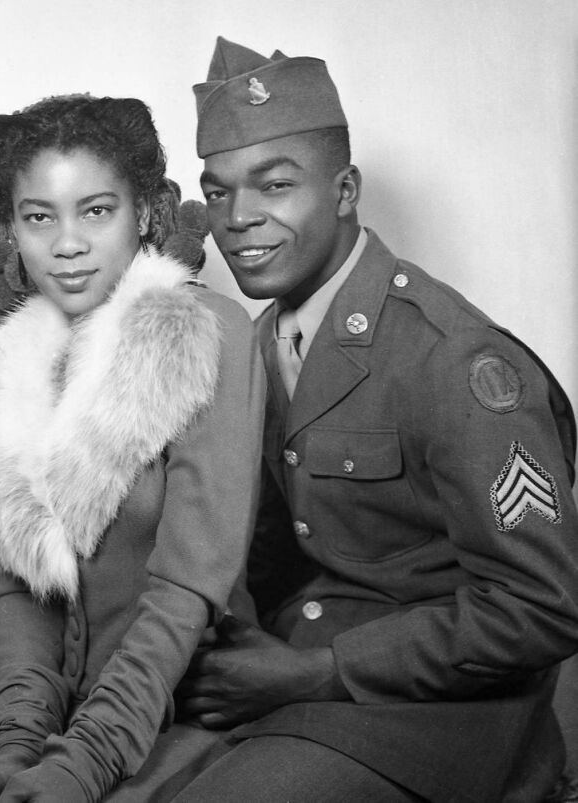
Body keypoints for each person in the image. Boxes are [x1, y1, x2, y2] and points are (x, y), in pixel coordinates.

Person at [170, 37, 578, 802]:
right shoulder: (259, 341)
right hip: (294, 657)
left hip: (436, 709)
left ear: (345, 189)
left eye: (275, 184)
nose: (239, 218)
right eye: (218, 193)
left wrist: (317, 671)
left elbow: (545, 607)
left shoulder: (453, 359)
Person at [0, 93, 265, 803]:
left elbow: (187, 589)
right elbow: (24, 587)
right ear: (12, 230)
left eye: (97, 211)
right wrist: (15, 742)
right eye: (39, 217)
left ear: (144, 215)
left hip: (175, 705)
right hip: (53, 708)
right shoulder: (18, 367)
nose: (67, 243)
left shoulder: (203, 333)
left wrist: (83, 762)